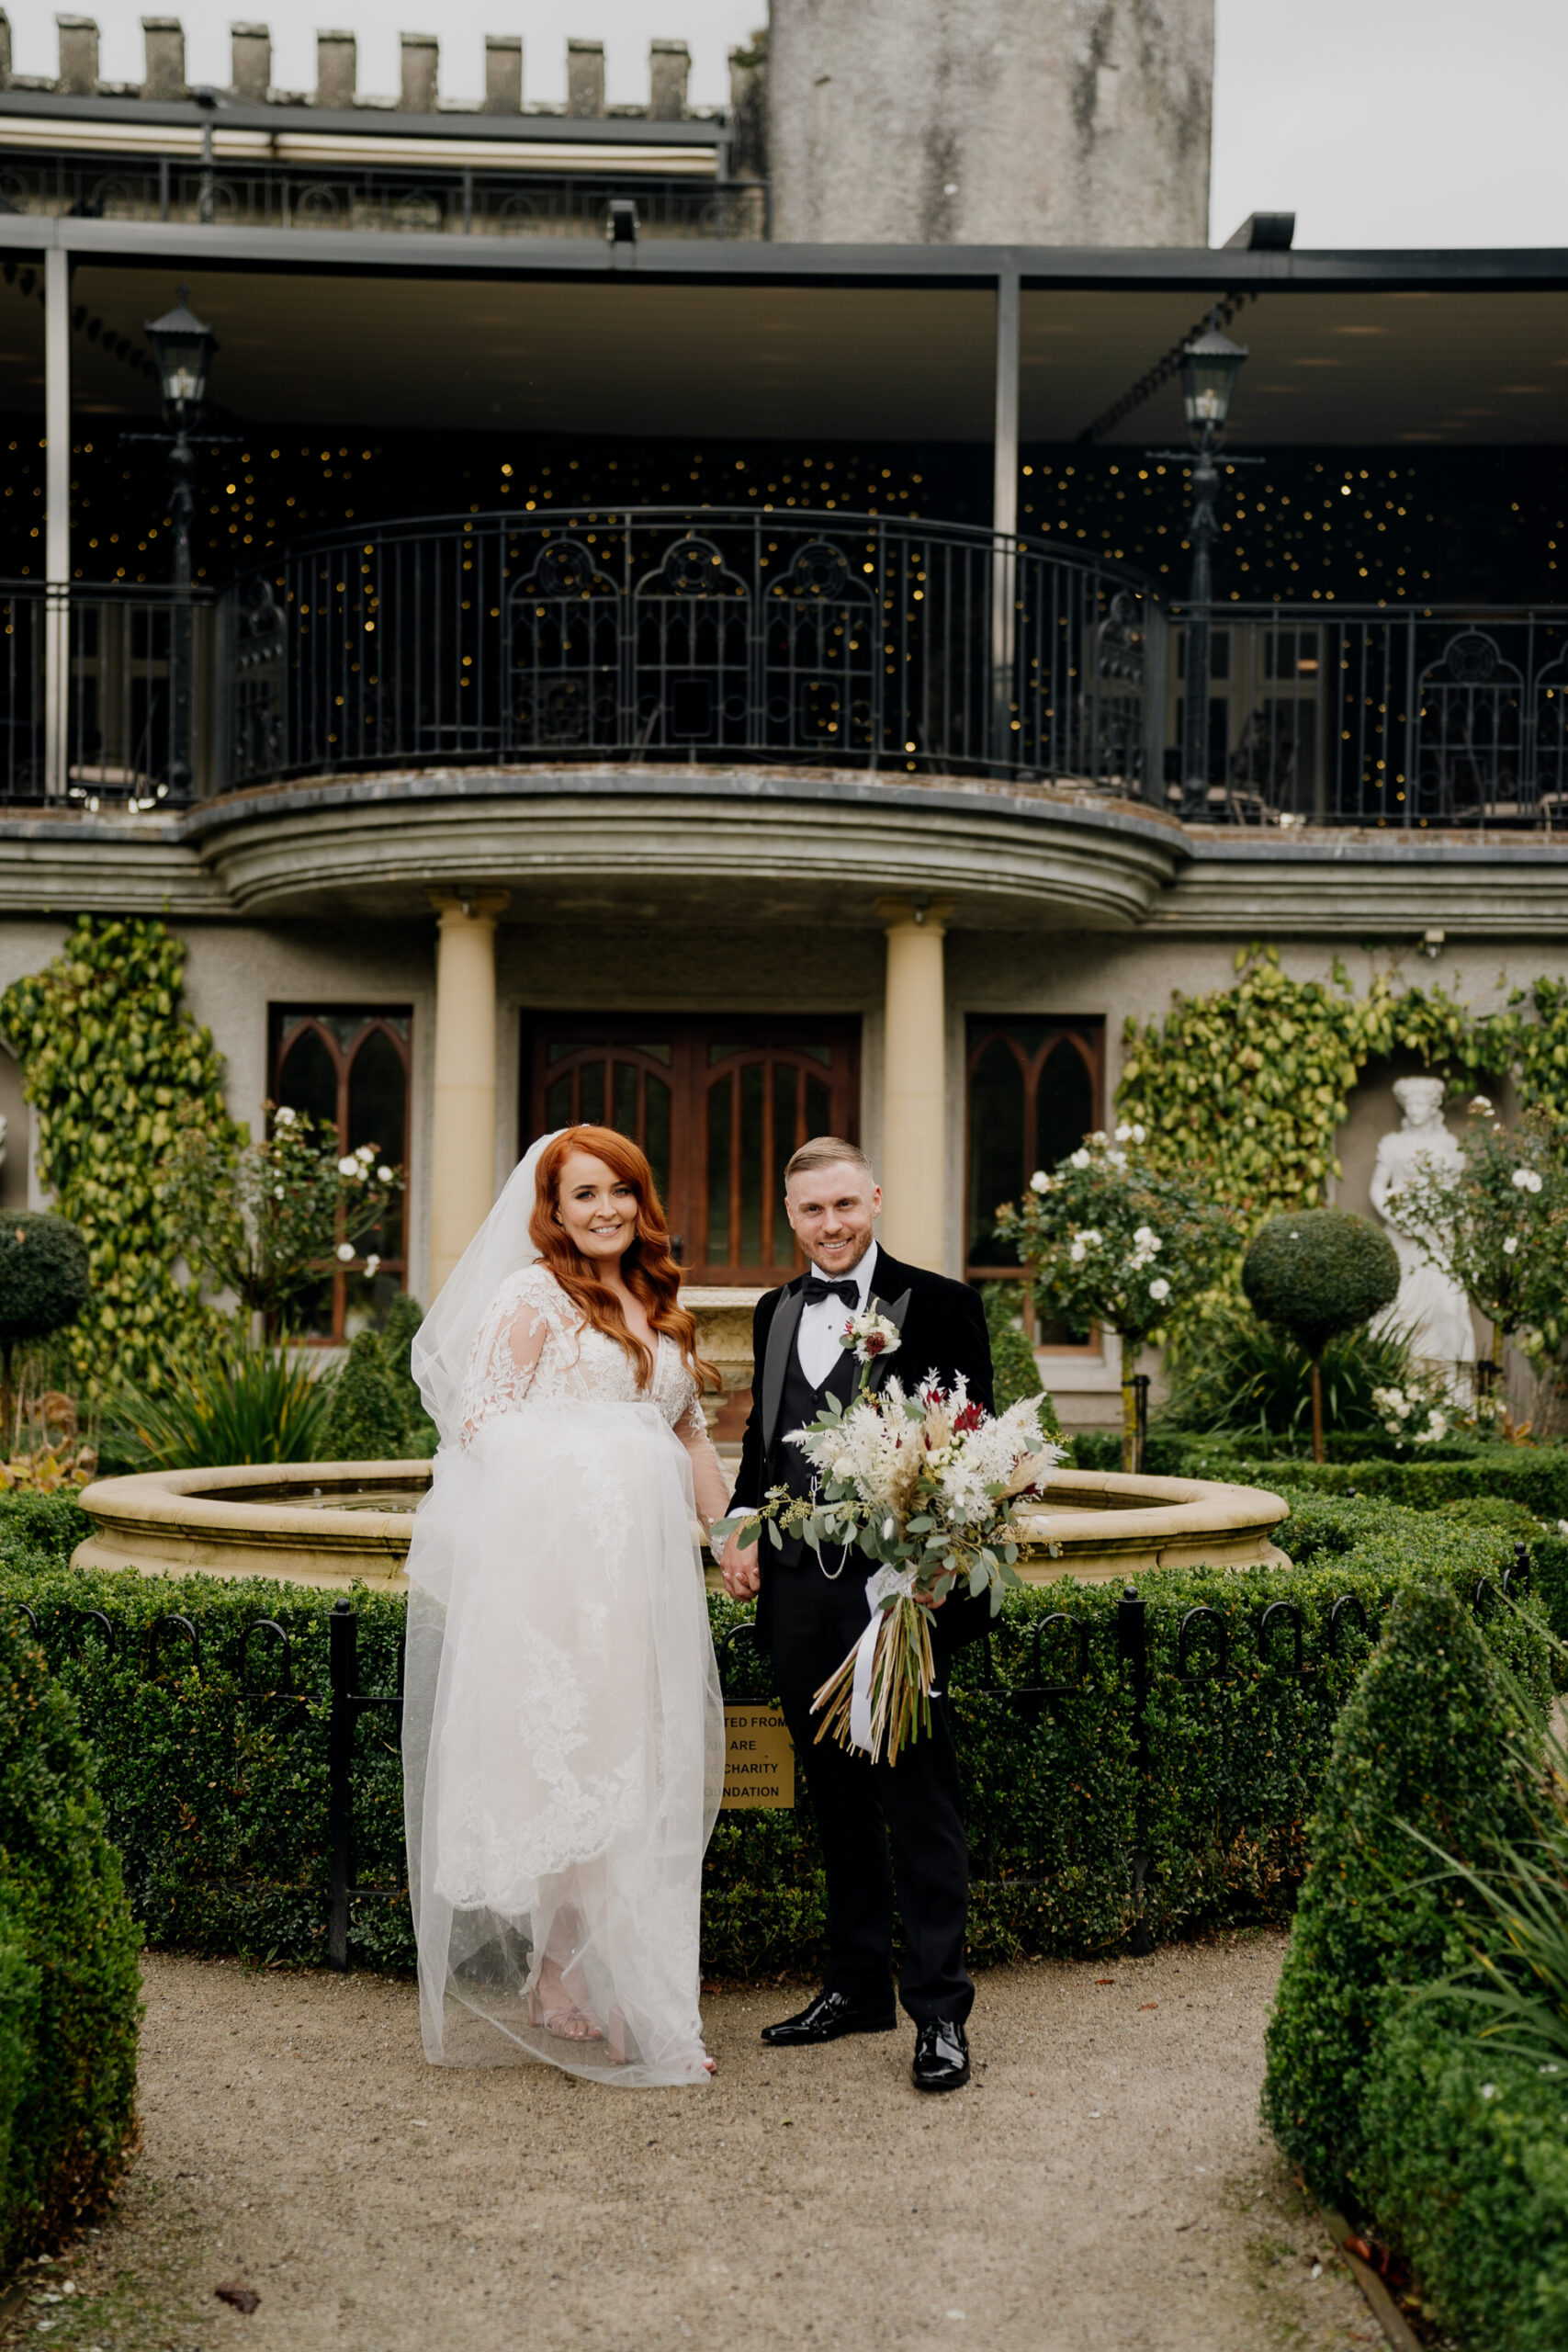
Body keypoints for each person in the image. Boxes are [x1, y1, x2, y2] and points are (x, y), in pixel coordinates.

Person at [401, 1125, 729, 2087]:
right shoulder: (532, 1294)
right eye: (583, 1194)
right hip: (562, 1575)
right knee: (587, 1764)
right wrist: (606, 1456)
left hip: (644, 1580)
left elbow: (692, 1437)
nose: (605, 1210)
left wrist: (735, 1529)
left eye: (620, 1190)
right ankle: (634, 1995)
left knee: (638, 1762)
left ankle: (564, 1975)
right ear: (553, 1208)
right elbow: (481, 1423)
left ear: (642, 1199)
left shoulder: (663, 1301)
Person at [718, 1137, 995, 2093]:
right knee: (832, 1799)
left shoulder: (945, 1304)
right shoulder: (775, 1309)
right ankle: (854, 1986)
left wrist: (936, 1570)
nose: (830, 1226)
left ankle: (939, 2012)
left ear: (874, 1196)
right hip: (797, 1594)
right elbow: (761, 1451)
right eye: (810, 1211)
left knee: (918, 1800)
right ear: (788, 1216)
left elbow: (973, 1452)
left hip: (895, 1597)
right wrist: (741, 1531)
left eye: (844, 1204)